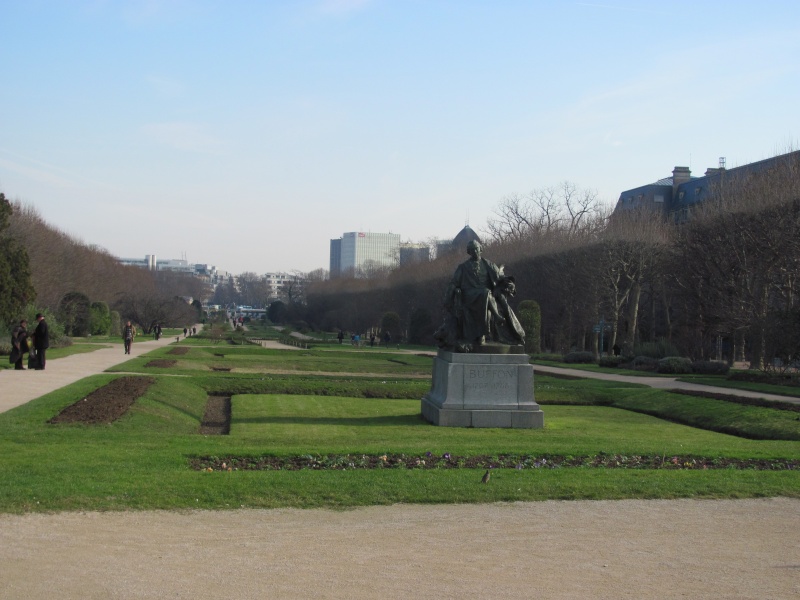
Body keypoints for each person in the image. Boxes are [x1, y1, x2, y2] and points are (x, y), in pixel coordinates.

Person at [436, 240, 525, 352]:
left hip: (485, 296)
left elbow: (500, 278)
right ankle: (496, 317)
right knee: (486, 293)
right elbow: (454, 283)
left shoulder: (489, 265)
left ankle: (483, 334)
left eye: (477, 249)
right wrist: (448, 299)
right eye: (472, 250)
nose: (475, 251)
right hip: (468, 296)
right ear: (469, 252)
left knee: (486, 293)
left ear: (481, 249)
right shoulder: (463, 267)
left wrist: (509, 284)